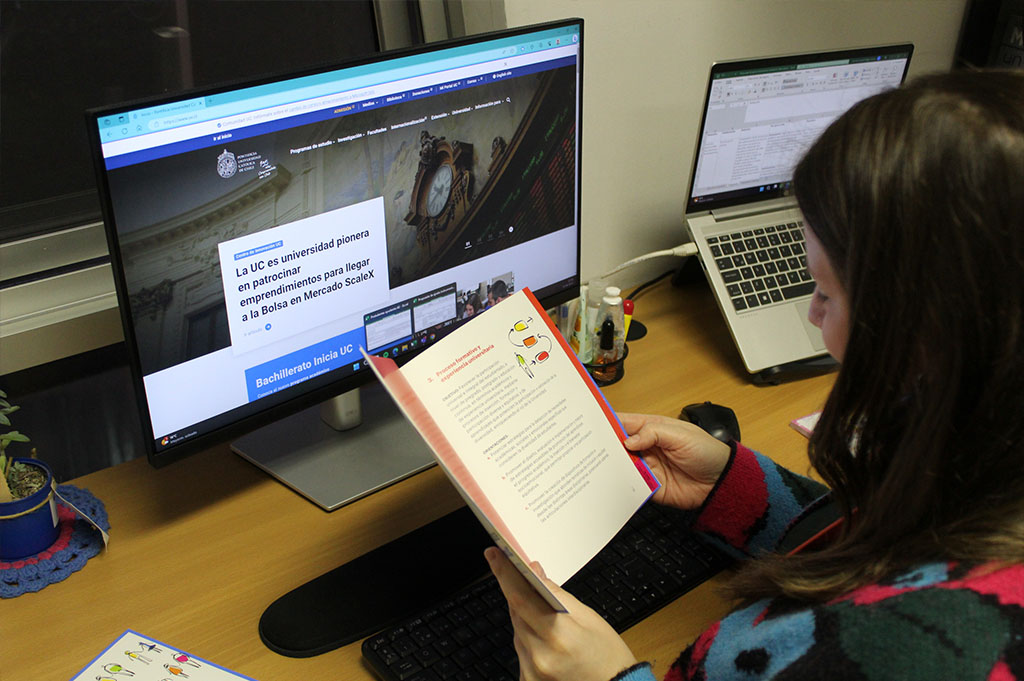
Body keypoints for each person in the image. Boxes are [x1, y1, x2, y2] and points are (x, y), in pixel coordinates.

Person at [486, 70, 1024, 681]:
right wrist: (735, 487)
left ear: (927, 332)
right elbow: (886, 546)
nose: (813, 312)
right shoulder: (986, 474)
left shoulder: (913, 652)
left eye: (824, 290)